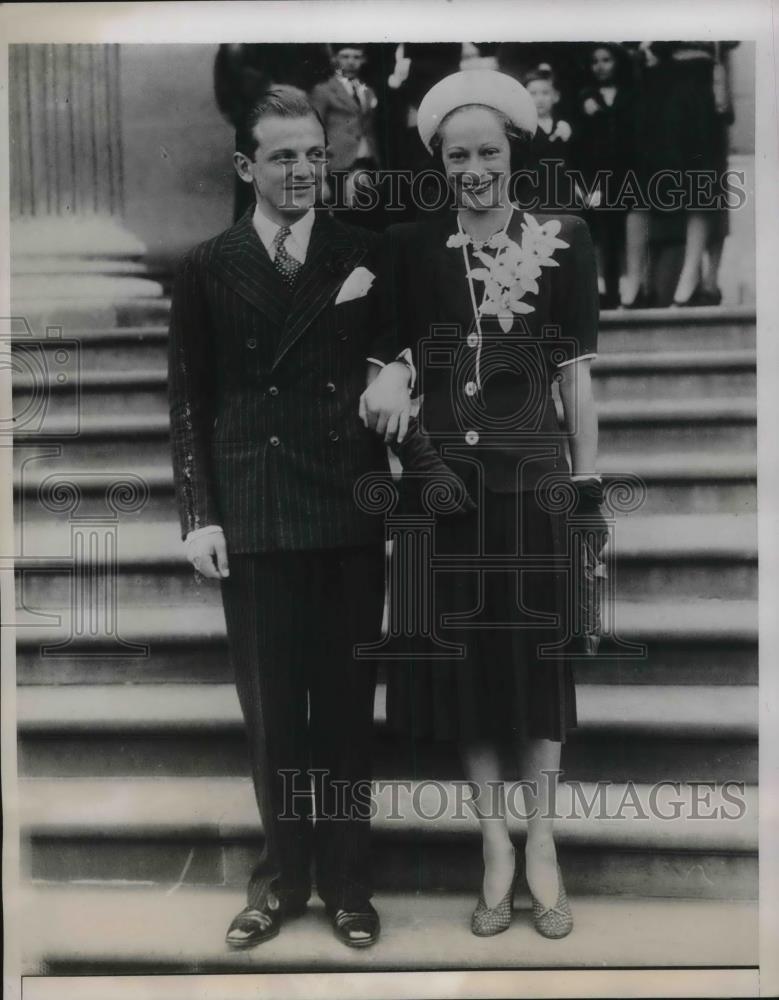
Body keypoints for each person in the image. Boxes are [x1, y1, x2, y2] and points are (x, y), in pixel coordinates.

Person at [361, 69, 606, 940]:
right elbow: (388, 357)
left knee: (538, 666)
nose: (474, 169)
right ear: (439, 160)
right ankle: (492, 838)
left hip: (534, 486)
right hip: (446, 492)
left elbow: (576, 381)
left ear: (514, 154)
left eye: (489, 153)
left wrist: (586, 492)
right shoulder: (409, 247)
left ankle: (542, 839)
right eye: (458, 154)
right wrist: (388, 371)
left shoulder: (564, 238)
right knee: (465, 672)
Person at [168, 86, 411, 951]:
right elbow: (189, 398)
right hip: (256, 510)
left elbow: (412, 343)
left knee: (344, 711)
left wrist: (399, 367)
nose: (304, 170)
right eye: (283, 156)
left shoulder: (367, 252)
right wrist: (199, 513)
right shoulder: (205, 264)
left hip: (346, 508)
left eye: (314, 154)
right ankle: (278, 883)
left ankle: (348, 885)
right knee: (272, 715)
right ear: (247, 166)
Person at [633, 41, 738, 306]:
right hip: (666, 82)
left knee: (706, 179)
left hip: (701, 80)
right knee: (675, 179)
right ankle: (683, 278)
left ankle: (698, 278)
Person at [571, 43, 648, 309]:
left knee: (630, 232)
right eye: (595, 61)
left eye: (607, 60)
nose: (601, 66)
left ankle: (635, 289)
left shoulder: (632, 95)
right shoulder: (585, 97)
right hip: (599, 175)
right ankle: (608, 290)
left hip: (629, 172)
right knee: (604, 233)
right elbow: (580, 145)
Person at [309, 44, 380, 173]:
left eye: (357, 57)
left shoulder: (368, 91)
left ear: (363, 60)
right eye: (345, 57)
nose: (351, 62)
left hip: (368, 159)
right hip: (337, 162)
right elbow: (314, 131)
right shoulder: (324, 90)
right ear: (335, 59)